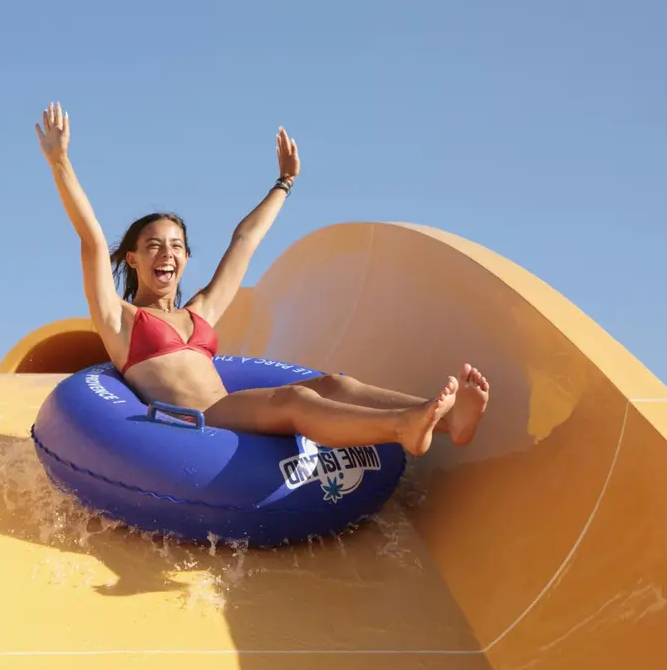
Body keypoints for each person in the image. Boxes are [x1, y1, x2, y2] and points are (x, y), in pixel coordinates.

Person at [35, 101, 489, 456]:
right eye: (153, 245)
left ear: (187, 258)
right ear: (132, 259)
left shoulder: (200, 312)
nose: (166, 254)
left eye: (176, 246)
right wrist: (60, 163)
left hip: (231, 409)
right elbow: (93, 240)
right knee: (294, 401)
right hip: (202, 419)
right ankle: (405, 427)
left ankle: (448, 422)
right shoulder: (120, 317)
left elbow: (244, 241)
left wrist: (284, 183)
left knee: (335, 385)